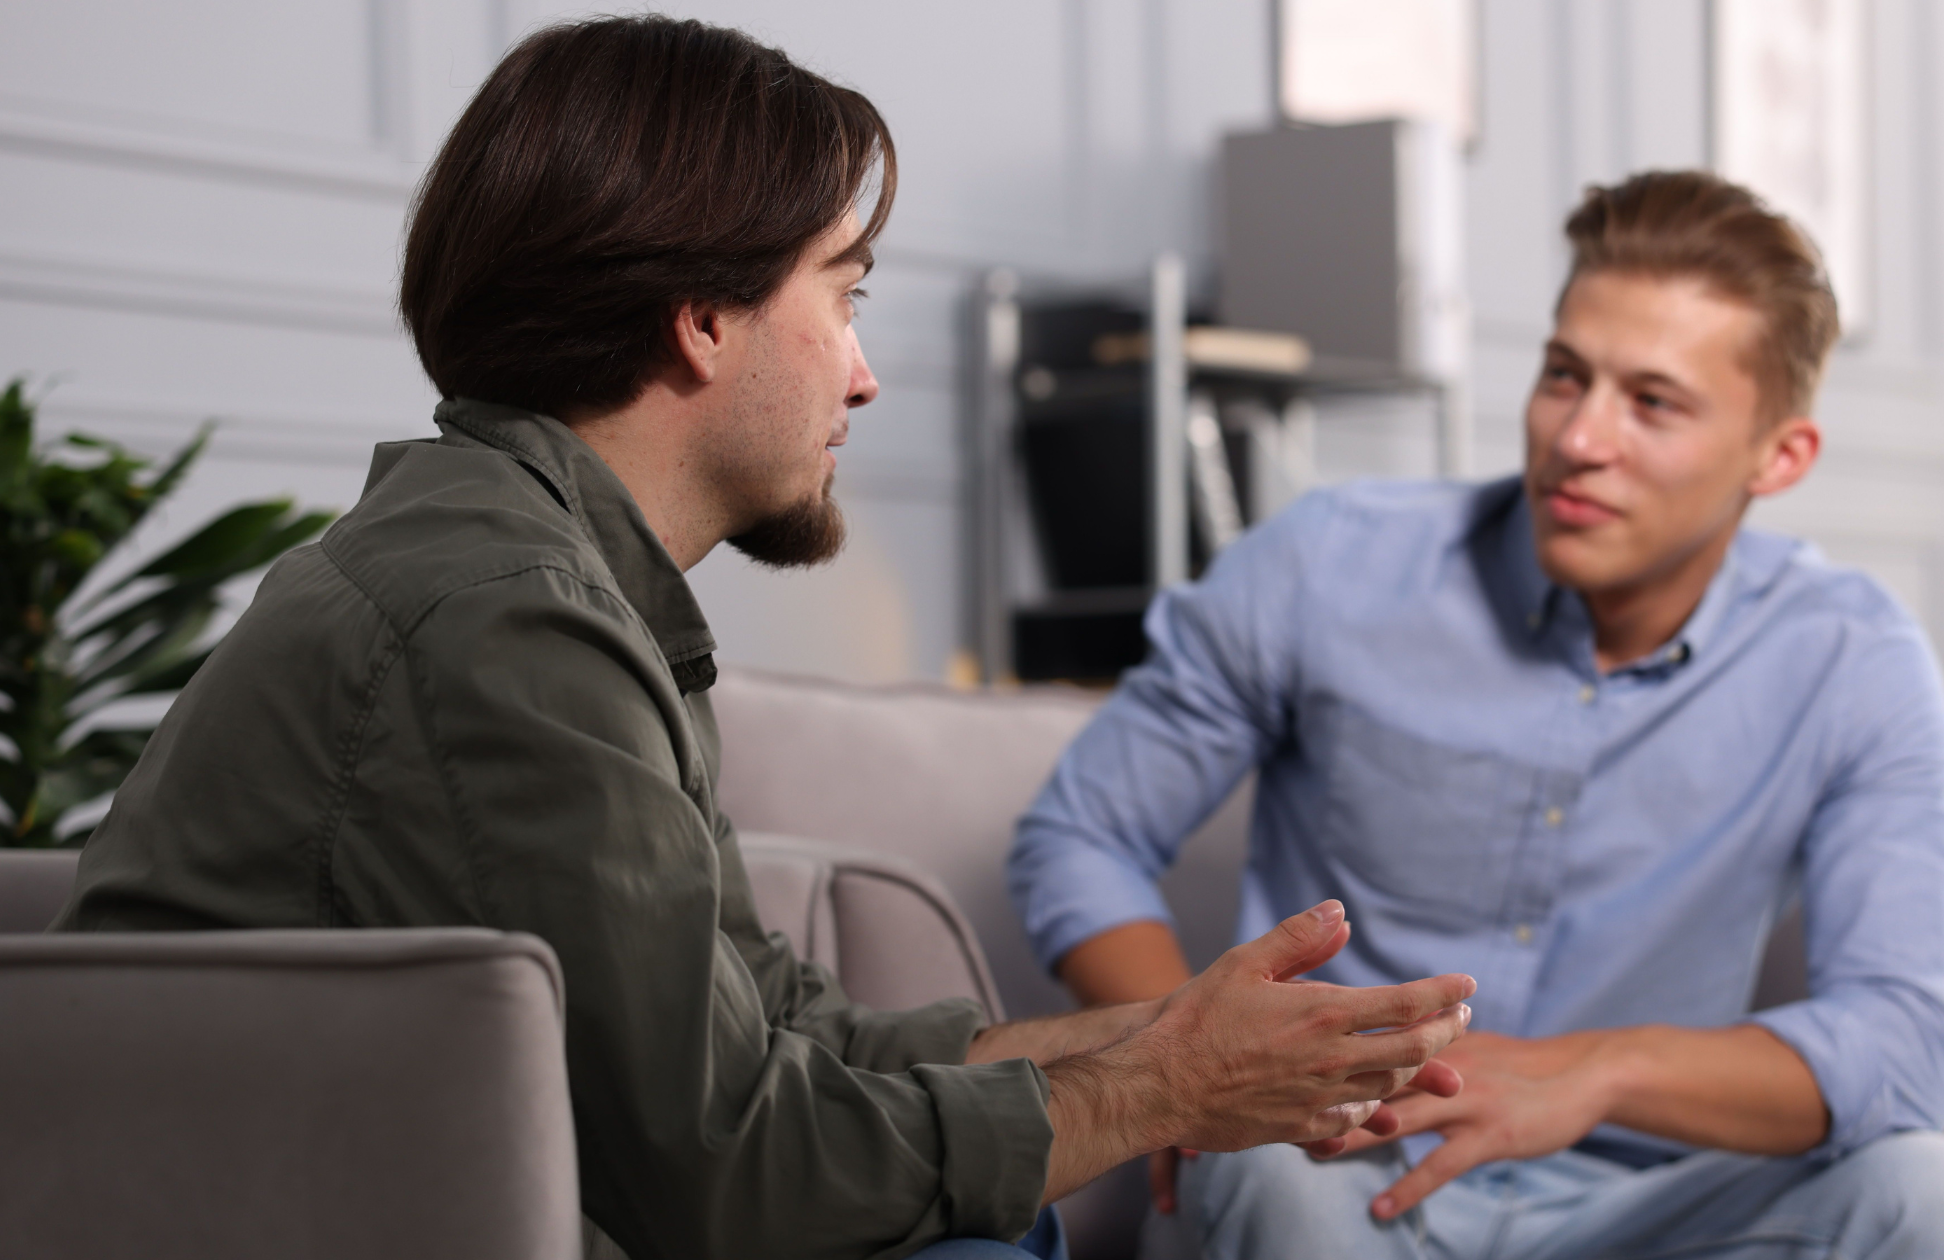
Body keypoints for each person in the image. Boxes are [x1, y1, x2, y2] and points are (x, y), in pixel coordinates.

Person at [49, 16, 1480, 1260]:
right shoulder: (505, 619)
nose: (861, 377)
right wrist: (1158, 1098)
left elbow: (778, 1033)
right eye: (842, 298)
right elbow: (729, 1173)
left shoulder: (541, 577)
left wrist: (1158, 1044)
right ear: (703, 323)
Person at [1007, 170, 1944, 1259]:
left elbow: (1905, 1039)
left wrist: (1591, 1074)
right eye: (1562, 376)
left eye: (1651, 402)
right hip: (1342, 1173)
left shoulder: (1850, 658)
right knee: (1270, 1187)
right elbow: (1081, 835)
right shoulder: (1330, 563)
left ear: (1776, 458)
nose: (1577, 439)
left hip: (1661, 1206)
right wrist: (1185, 1067)